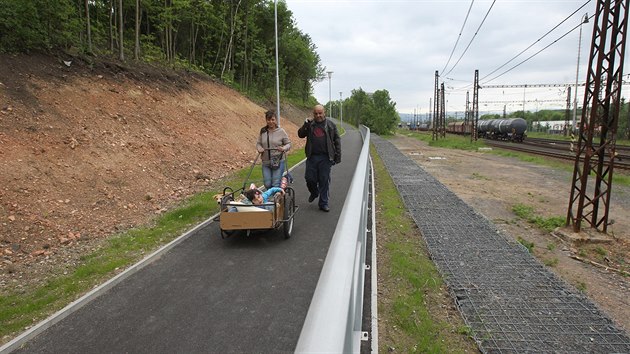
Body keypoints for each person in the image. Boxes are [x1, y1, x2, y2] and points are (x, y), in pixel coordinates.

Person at [297, 104, 341, 212]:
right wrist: (305, 124)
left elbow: (337, 140)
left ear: (324, 112)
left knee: (324, 180)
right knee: (309, 178)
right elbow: (300, 134)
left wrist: (337, 156)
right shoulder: (310, 124)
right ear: (313, 114)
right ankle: (314, 192)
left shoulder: (330, 125)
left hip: (325, 158)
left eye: (320, 113)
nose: (318, 115)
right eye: (316, 113)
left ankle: (323, 203)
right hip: (312, 157)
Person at [257, 110, 291, 189]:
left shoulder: (281, 131)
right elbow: (258, 143)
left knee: (275, 184)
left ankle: (275, 200)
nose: (271, 122)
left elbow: (288, 144)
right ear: (266, 120)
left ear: (276, 120)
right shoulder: (263, 131)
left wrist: (283, 148)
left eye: (272, 119)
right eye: (269, 120)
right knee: (267, 184)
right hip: (266, 162)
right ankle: (281, 183)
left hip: (278, 161)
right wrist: (260, 149)